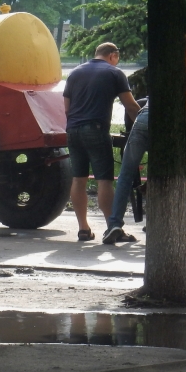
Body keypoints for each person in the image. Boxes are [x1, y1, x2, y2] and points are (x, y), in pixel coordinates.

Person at [104, 34, 186, 243]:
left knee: (125, 174)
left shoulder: (165, 70)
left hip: (143, 119)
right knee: (169, 174)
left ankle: (114, 224)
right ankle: (163, 222)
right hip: (166, 124)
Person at [63, 42, 141, 242]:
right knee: (104, 180)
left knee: (78, 179)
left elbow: (66, 108)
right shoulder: (114, 73)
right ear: (113, 55)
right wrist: (143, 129)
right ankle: (112, 227)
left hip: (72, 130)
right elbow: (131, 106)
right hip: (96, 129)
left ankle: (83, 229)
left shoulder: (74, 73)